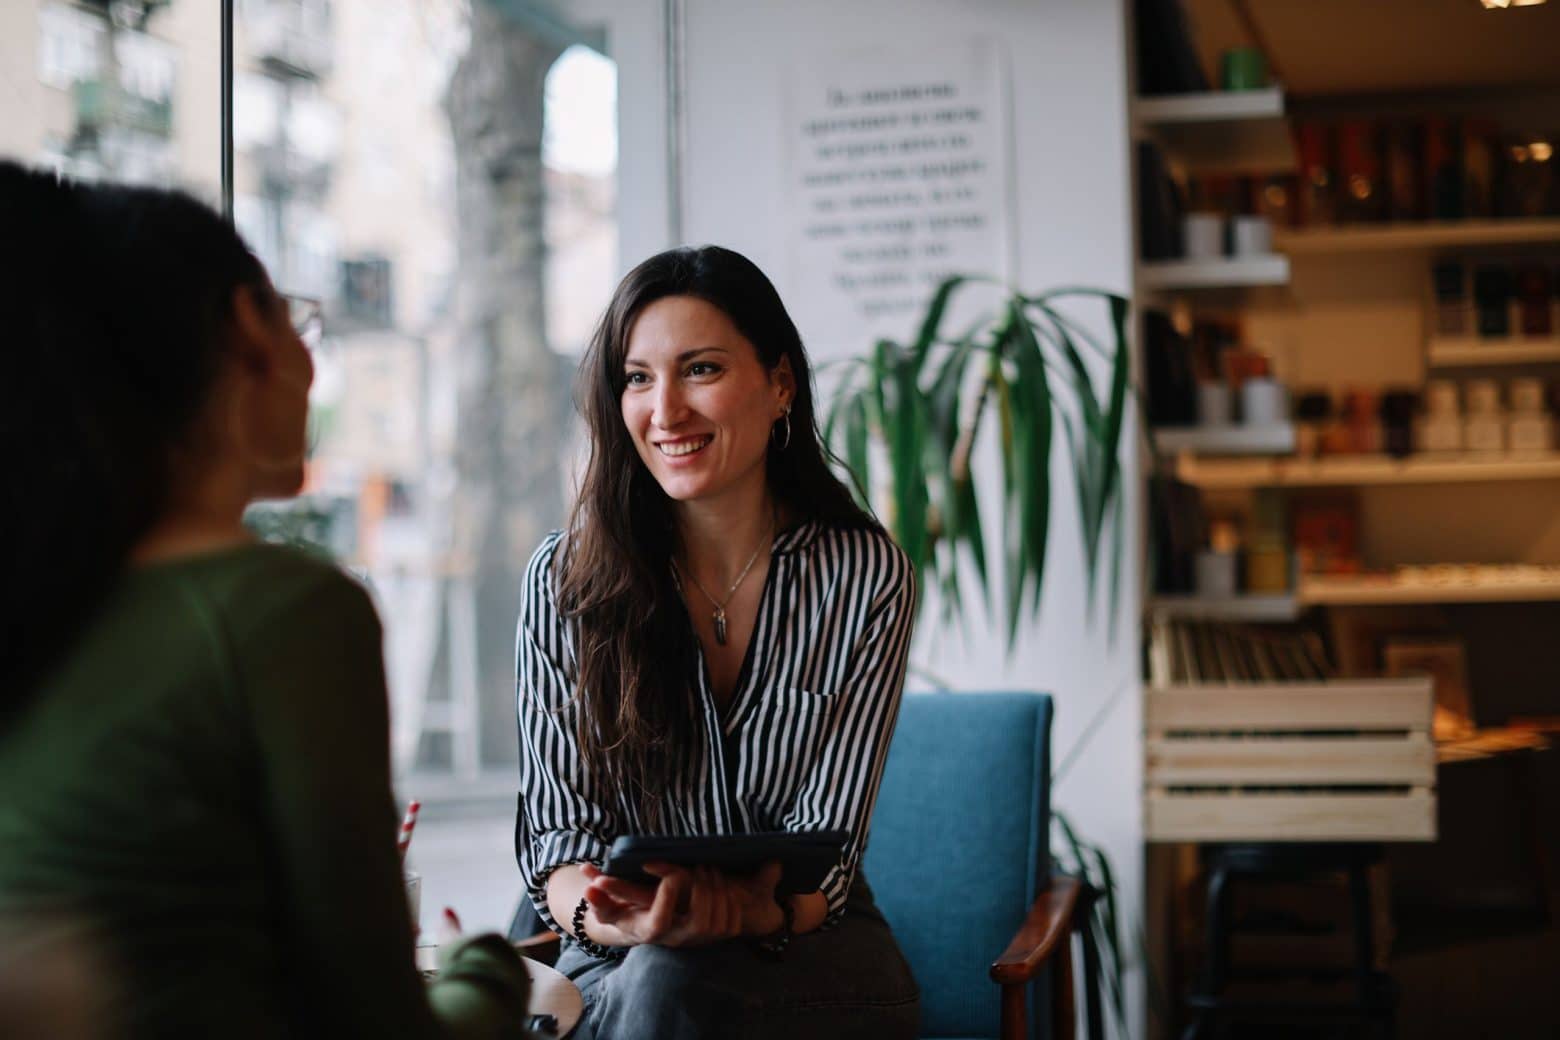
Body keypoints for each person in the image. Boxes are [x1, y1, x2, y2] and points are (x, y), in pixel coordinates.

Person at [0, 161, 537, 1038]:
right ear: (252, 325)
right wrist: (492, 970)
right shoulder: (284, 613)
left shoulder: (44, 592)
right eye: (303, 320)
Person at [514, 245, 921, 1038]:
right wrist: (627, 922)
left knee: (678, 986)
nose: (664, 412)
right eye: (637, 377)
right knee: (667, 977)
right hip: (617, 957)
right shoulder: (564, 581)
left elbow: (828, 859)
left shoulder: (867, 575)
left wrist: (748, 913)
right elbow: (558, 844)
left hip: (806, 941)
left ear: (779, 385)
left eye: (699, 369)